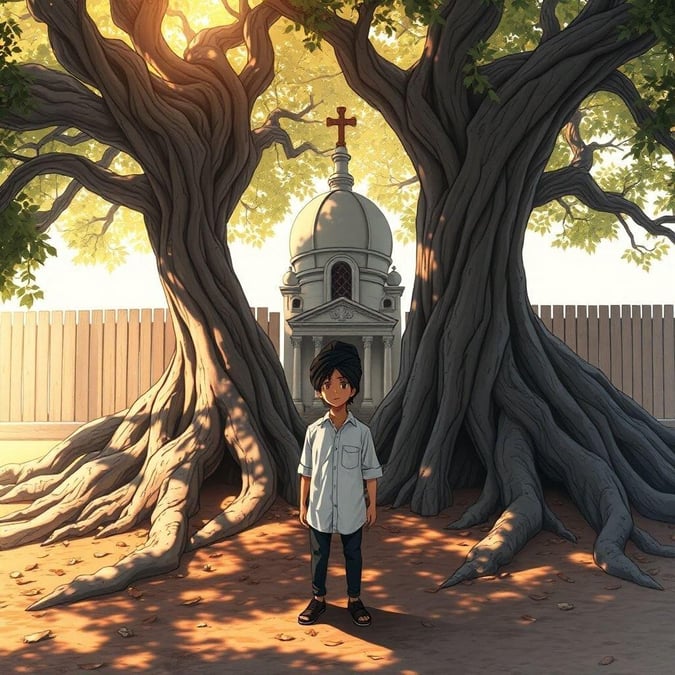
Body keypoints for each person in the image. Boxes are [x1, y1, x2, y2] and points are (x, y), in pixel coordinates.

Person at [297, 340, 383, 627]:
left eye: (342, 383)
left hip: (353, 509)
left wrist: (372, 504)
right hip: (319, 508)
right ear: (319, 389)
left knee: (353, 554)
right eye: (327, 383)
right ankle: (318, 599)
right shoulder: (313, 432)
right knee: (319, 555)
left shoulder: (362, 433)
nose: (335, 390)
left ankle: (355, 599)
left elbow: (370, 471)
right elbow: (306, 470)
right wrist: (302, 504)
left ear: (353, 388)